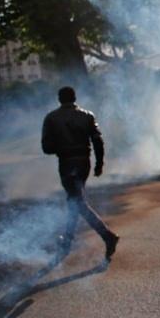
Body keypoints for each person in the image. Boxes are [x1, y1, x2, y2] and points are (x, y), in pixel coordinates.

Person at [42, 86, 119, 261]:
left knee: (77, 202)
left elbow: (46, 148)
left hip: (67, 163)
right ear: (75, 98)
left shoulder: (51, 118)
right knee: (74, 201)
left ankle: (108, 236)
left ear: (59, 99)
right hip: (84, 162)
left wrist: (61, 145)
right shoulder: (87, 115)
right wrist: (99, 163)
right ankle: (67, 241)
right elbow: (98, 142)